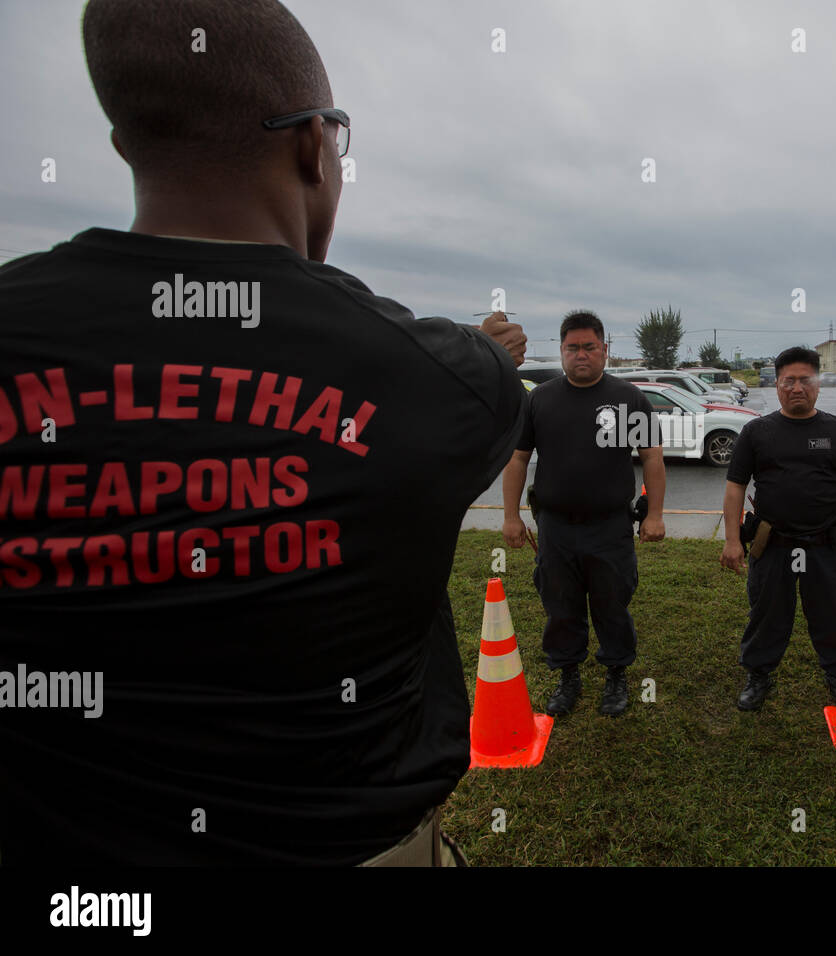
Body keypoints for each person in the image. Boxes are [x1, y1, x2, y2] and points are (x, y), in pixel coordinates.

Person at [0, 0, 527, 866]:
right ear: (315, 147)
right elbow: (482, 371)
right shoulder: (433, 379)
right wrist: (485, 343)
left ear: (127, 146)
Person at [501, 311, 666, 717]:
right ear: (561, 351)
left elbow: (652, 458)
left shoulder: (629, 399)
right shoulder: (539, 400)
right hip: (555, 527)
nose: (581, 355)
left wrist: (655, 515)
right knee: (560, 605)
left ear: (604, 351)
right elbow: (518, 459)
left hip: (610, 526)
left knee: (612, 604)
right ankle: (567, 674)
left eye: (589, 347)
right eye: (572, 348)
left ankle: (615, 675)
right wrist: (510, 516)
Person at [720, 347, 836, 711]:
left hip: (827, 543)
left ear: (817, 384)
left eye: (804, 380)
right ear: (776, 385)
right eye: (788, 381)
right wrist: (732, 540)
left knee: (835, 613)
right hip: (772, 543)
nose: (796, 388)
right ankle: (758, 674)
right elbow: (735, 488)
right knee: (766, 613)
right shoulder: (757, 432)